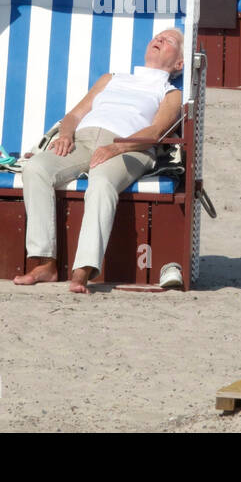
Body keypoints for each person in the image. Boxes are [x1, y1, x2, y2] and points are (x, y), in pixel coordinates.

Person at [14, 28, 185, 293]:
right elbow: (73, 115)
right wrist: (66, 135)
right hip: (82, 140)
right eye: (158, 36)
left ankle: (83, 270)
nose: (160, 39)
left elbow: (155, 133)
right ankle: (45, 263)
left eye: (170, 40)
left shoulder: (169, 92)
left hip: (130, 147)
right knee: (36, 168)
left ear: (179, 64)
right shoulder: (112, 79)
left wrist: (116, 148)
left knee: (102, 181)